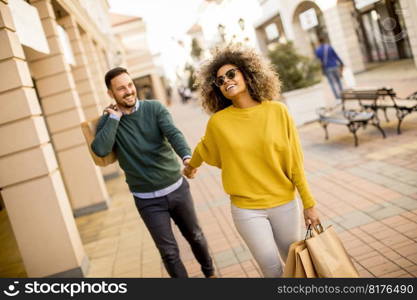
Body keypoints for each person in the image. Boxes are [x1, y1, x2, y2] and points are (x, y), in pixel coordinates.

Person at [183, 44, 321, 278]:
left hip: (284, 203)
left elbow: (295, 161)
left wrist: (309, 203)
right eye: (219, 80)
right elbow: (204, 148)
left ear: (246, 74)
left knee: (295, 265)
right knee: (271, 269)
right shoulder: (219, 122)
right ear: (217, 89)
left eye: (231, 74)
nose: (226, 80)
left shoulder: (278, 111)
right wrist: (191, 166)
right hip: (246, 209)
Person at [91, 67, 215, 278]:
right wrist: (114, 119)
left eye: (130, 85)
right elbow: (100, 150)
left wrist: (187, 157)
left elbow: (173, 133)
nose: (128, 91)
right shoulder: (109, 121)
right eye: (121, 89)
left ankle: (209, 273)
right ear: (111, 94)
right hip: (147, 200)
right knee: (168, 253)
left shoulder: (154, 108)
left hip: (177, 189)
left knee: (195, 235)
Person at [315, 35, 344, 101]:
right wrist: (341, 63)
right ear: (324, 40)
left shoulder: (318, 50)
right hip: (334, 66)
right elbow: (336, 56)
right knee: (338, 81)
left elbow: (318, 61)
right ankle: (343, 94)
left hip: (327, 68)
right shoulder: (329, 47)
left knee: (332, 83)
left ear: (319, 42)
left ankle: (337, 97)